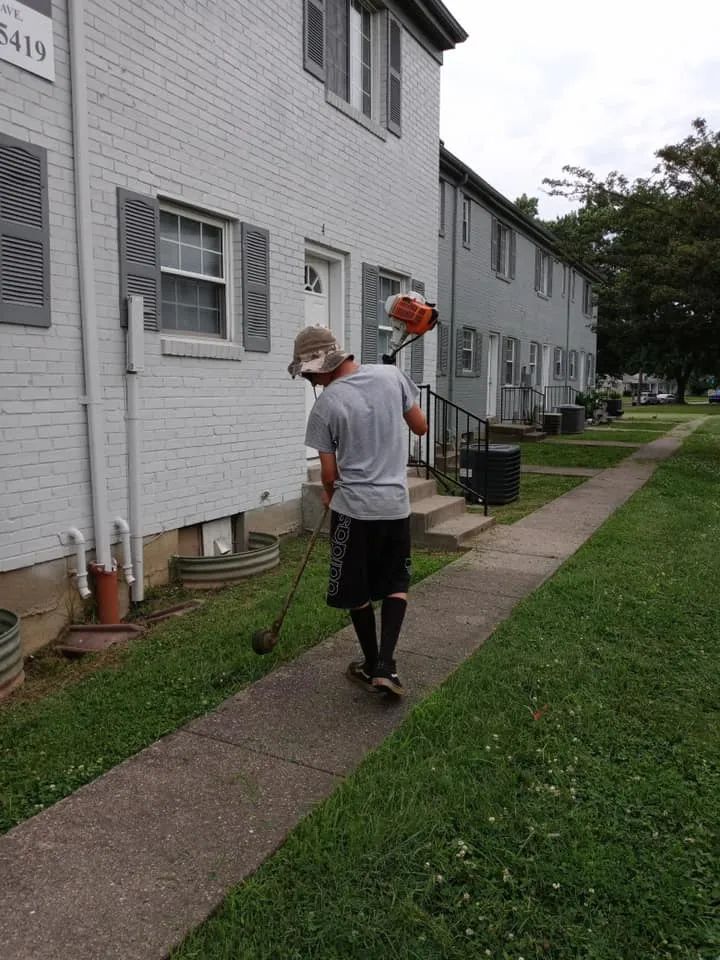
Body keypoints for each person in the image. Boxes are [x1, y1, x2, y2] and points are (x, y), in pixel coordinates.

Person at [288, 325, 428, 696]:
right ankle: (386, 665)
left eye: (310, 374)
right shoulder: (391, 376)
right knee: (396, 583)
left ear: (322, 366)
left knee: (357, 587)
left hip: (353, 511)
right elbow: (421, 427)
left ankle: (370, 664)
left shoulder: (326, 405)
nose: (312, 382)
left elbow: (329, 474)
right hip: (395, 506)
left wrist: (329, 495)